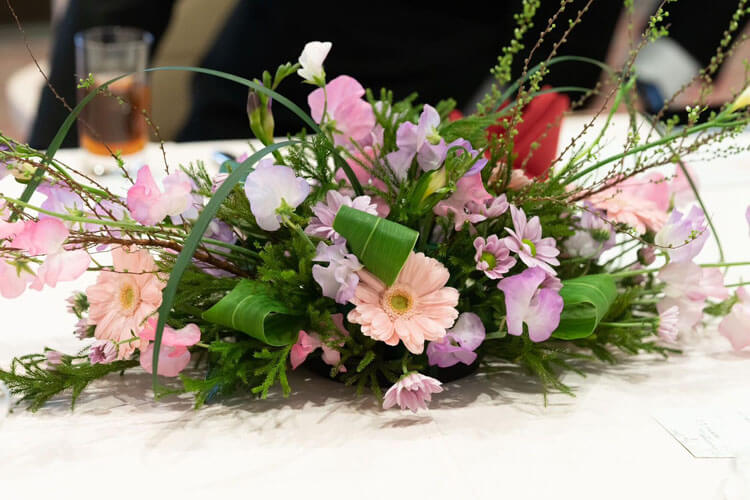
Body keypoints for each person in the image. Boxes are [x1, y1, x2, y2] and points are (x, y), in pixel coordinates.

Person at [28, 0, 741, 149]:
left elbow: (567, 66)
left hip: (436, 158)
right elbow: (112, 14)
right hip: (254, 132)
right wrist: (62, 167)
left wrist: (675, 115)